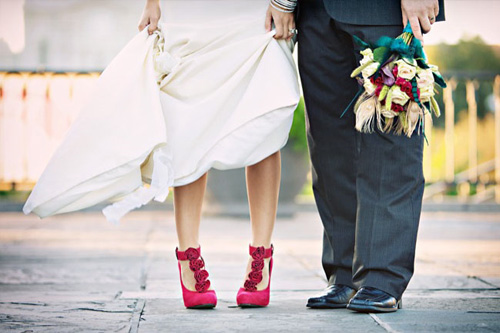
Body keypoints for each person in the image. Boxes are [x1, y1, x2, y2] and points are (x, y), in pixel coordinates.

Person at [23, 0, 300, 309]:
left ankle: (260, 257)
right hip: (190, 12)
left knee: (262, 118)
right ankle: (188, 253)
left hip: (252, 12)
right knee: (189, 125)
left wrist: (283, 2)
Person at [297, 0, 445, 313]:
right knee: (329, 143)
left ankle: (382, 276)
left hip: (385, 8)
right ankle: (344, 273)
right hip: (314, 10)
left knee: (391, 133)